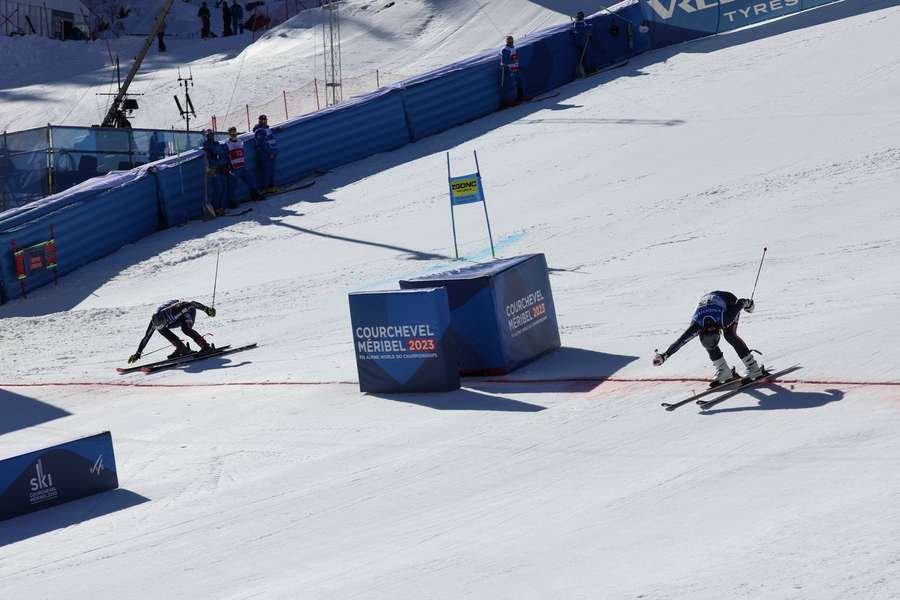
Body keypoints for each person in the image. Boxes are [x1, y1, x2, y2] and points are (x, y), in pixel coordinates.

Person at [653, 291, 765, 386]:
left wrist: (748, 305)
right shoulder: (696, 324)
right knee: (709, 342)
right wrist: (665, 355)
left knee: (730, 335)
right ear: (700, 331)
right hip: (709, 302)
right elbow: (680, 341)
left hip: (727, 300)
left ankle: (753, 368)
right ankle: (724, 371)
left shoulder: (724, 319)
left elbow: (740, 302)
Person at [128, 299, 217, 364]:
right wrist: (138, 353)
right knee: (160, 329)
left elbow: (192, 304)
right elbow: (146, 337)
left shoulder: (172, 313)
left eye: (163, 324)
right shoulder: (154, 321)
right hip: (171, 319)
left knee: (185, 329)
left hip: (187, 311)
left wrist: (206, 309)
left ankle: (205, 346)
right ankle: (181, 348)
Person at [223, 126, 262, 205]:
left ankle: (255, 195)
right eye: (231, 133)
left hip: (242, 166)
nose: (233, 135)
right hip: (234, 168)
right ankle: (232, 201)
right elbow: (225, 156)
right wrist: (228, 165)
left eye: (234, 133)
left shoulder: (240, 141)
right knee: (233, 186)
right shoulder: (227, 144)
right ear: (229, 134)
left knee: (251, 180)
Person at [202, 129, 228, 215]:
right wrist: (211, 154)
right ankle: (215, 207)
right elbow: (208, 155)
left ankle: (222, 207)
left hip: (220, 167)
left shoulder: (217, 144)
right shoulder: (206, 145)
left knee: (223, 186)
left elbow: (221, 154)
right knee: (218, 187)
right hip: (213, 169)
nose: (211, 137)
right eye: (209, 135)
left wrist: (224, 164)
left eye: (212, 135)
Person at [252, 115, 278, 194]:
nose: (264, 122)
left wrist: (277, 129)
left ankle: (271, 186)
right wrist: (269, 153)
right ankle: (265, 188)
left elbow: (270, 132)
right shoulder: (259, 130)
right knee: (266, 171)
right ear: (259, 121)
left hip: (271, 153)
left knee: (271, 171)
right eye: (262, 121)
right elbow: (262, 144)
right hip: (265, 154)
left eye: (265, 120)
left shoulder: (266, 129)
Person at [499, 35, 524, 106]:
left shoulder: (513, 48)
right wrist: (513, 61)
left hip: (515, 68)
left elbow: (514, 57)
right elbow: (504, 61)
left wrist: (516, 62)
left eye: (512, 41)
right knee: (509, 84)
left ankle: (520, 96)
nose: (511, 42)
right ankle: (508, 101)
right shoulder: (505, 49)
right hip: (509, 69)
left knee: (520, 82)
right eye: (509, 41)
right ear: (507, 41)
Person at [573, 11, 594, 77]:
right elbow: (580, 30)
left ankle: (589, 69)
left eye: (582, 15)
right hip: (581, 43)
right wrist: (587, 30)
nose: (582, 17)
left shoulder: (582, 22)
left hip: (584, 42)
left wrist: (589, 27)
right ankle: (586, 70)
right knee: (583, 56)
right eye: (580, 16)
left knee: (587, 56)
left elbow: (585, 27)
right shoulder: (577, 24)